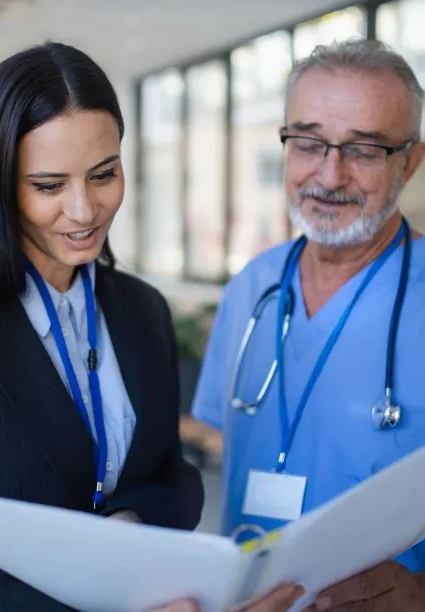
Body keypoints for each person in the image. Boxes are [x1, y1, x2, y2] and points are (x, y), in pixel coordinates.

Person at [0, 42, 300, 612]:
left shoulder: (140, 310)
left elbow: (172, 476)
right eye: (49, 186)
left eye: (104, 174)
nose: (85, 210)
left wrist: (127, 527)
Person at [192, 38, 425, 611]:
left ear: (411, 162)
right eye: (308, 142)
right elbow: (220, 434)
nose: (329, 173)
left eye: (364, 150)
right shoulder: (252, 286)